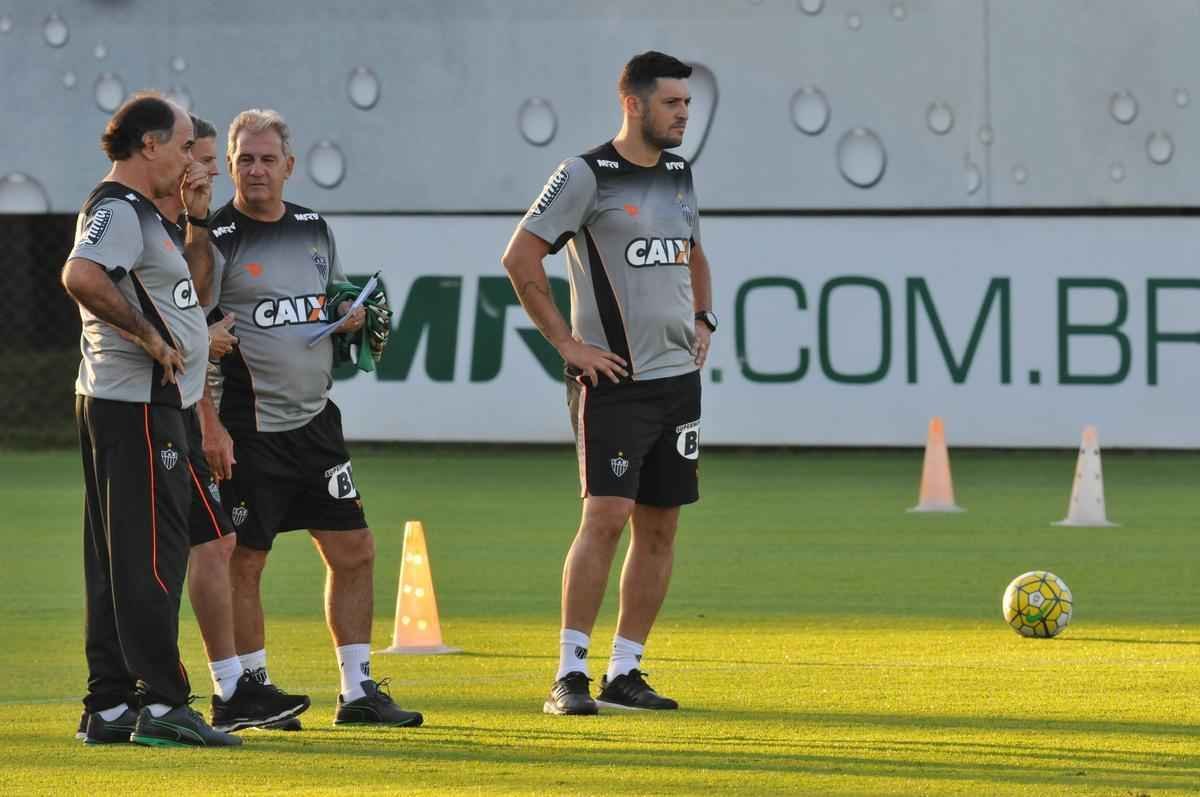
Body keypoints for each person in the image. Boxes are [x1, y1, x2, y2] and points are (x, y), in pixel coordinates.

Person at [501, 51, 716, 715]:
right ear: (634, 104)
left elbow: (693, 249)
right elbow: (520, 256)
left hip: (677, 383)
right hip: (614, 381)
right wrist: (567, 344)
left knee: (661, 529)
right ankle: (569, 674)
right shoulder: (584, 174)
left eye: (687, 103)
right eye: (673, 103)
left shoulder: (678, 173)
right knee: (606, 517)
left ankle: (627, 669)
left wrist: (704, 316)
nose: (684, 113)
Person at [195, 108, 422, 727]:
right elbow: (196, 338)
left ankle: (357, 692)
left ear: (290, 167)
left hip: (317, 424)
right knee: (247, 560)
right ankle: (252, 690)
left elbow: (329, 298)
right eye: (245, 159)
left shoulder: (313, 228)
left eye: (269, 159)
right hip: (249, 429)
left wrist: (347, 315)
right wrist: (210, 425)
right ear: (232, 166)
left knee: (355, 550)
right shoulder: (215, 241)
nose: (257, 169)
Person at [61, 94, 239, 746]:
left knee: (116, 559)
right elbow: (81, 274)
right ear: (150, 146)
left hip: (134, 404)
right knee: (153, 561)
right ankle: (164, 702)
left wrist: (192, 220)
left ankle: (109, 704)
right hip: (136, 404)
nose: (193, 158)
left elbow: (184, 291)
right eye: (186, 145)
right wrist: (146, 336)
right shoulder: (117, 208)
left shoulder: (143, 214)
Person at [155, 113, 312, 733]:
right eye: (205, 159)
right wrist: (210, 419)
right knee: (196, 551)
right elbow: (165, 313)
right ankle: (169, 692)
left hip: (183, 409)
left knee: (212, 546)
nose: (215, 173)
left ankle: (227, 690)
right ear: (169, 156)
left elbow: (189, 303)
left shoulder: (185, 226)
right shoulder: (142, 221)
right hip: (163, 412)